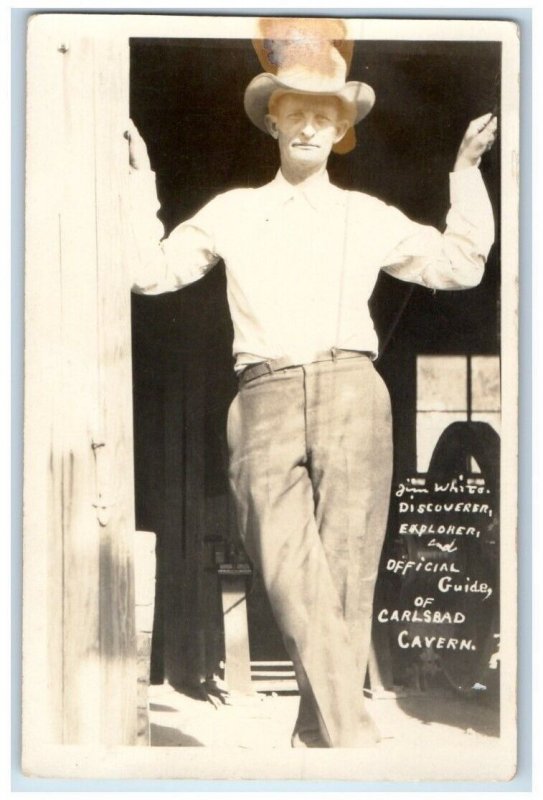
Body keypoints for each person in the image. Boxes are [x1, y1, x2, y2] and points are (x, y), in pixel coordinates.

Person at [126, 42, 497, 748]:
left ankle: (318, 734)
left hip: (352, 390)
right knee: (290, 574)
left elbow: (458, 268)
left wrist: (465, 173)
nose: (306, 127)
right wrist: (138, 182)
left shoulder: (367, 214)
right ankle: (351, 733)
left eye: (321, 117)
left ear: (338, 131)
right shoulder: (231, 211)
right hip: (260, 397)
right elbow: (148, 273)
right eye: (292, 113)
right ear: (272, 123)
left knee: (348, 578)